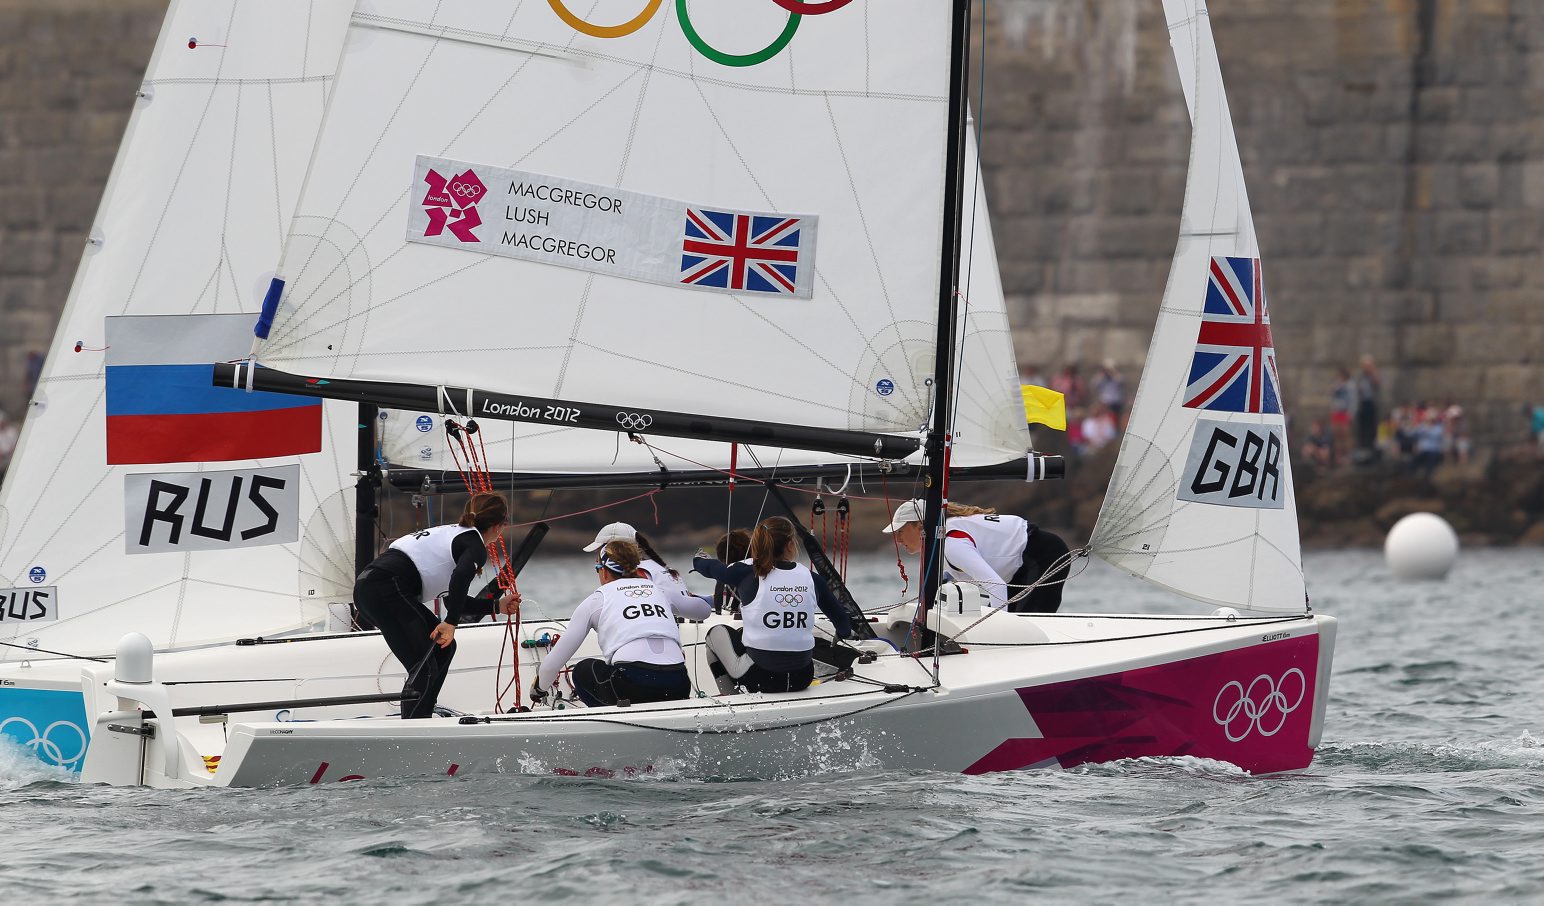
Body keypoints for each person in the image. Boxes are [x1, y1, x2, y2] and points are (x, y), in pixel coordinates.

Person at [353, 492, 516, 718]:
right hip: (385, 588)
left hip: (370, 589)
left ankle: (423, 715)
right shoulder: (474, 544)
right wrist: (450, 622)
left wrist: (497, 607)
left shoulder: (453, 534)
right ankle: (415, 728)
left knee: (442, 648)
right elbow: (459, 578)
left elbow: (454, 599)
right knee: (424, 662)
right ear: (499, 526)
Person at [531, 539, 711, 707]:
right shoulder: (661, 591)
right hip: (678, 683)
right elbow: (703, 611)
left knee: (582, 670)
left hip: (633, 685)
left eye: (597, 568)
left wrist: (538, 690)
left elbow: (553, 664)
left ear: (604, 570)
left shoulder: (596, 600)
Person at [692, 516, 853, 695]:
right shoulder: (812, 578)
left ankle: (731, 700)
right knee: (741, 635)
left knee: (716, 633)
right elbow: (842, 623)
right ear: (791, 545)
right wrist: (842, 634)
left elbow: (712, 569)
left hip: (762, 679)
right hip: (802, 677)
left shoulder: (746, 571)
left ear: (758, 544)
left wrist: (698, 560)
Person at [883, 498, 1070, 614]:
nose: (897, 540)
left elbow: (996, 586)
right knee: (1010, 617)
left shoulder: (950, 544)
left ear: (919, 526)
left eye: (900, 532)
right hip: (1022, 566)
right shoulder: (942, 542)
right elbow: (948, 580)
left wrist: (996, 635)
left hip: (1044, 556)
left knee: (1025, 624)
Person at [582, 521, 712, 615]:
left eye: (599, 551)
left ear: (611, 548)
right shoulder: (661, 567)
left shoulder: (633, 573)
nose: (596, 559)